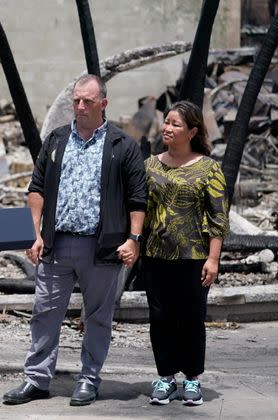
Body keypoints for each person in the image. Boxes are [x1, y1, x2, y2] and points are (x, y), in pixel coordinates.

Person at [3, 74, 147, 407]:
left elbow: (138, 198)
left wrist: (134, 239)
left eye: (88, 102)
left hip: (103, 245)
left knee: (97, 316)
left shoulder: (122, 145)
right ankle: (37, 379)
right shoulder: (56, 140)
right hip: (58, 243)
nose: (80, 107)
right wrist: (35, 233)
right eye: (77, 101)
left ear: (103, 104)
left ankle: (89, 379)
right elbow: (36, 189)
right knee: (44, 312)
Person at [143, 100, 229, 406]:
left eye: (175, 124)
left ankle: (192, 378)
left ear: (192, 131)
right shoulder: (151, 166)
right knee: (160, 317)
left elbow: (219, 217)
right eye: (166, 122)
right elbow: (142, 210)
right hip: (154, 256)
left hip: (194, 257)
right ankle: (165, 377)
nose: (167, 128)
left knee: (191, 318)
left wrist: (214, 259)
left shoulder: (209, 168)